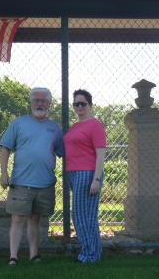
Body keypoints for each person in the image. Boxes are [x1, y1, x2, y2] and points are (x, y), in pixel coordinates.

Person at [0, 87, 64, 265]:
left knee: (35, 219)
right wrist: (4, 173)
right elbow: (5, 148)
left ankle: (34, 255)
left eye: (44, 101)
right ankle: (13, 256)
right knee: (18, 219)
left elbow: (63, 152)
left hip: (45, 183)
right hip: (21, 182)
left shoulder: (54, 128)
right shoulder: (18, 123)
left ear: (49, 104)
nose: (40, 103)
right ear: (31, 102)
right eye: (36, 100)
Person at [63, 89, 106, 263]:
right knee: (84, 214)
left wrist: (96, 179)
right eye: (76, 104)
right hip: (73, 174)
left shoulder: (95, 125)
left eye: (83, 103)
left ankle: (90, 254)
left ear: (90, 105)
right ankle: (93, 253)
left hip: (87, 174)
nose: (79, 106)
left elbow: (101, 154)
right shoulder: (75, 126)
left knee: (82, 215)